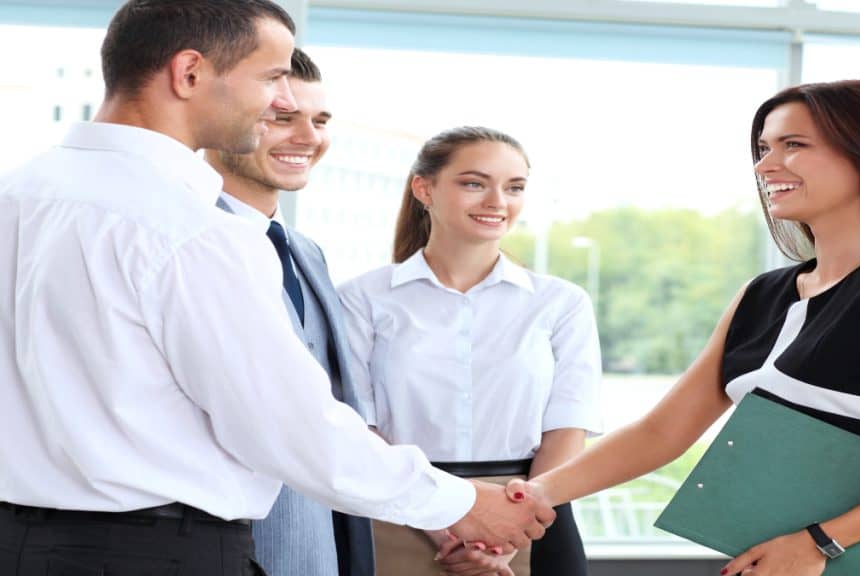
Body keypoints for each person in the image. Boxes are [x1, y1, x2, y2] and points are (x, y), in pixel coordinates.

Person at [0, 2, 553, 574]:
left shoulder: (15, 197)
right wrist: (461, 502)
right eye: (269, 79)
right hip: (159, 552)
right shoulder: (195, 231)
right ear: (188, 74)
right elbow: (292, 427)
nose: (279, 101)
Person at [504, 80, 860, 576]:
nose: (765, 165)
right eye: (764, 148)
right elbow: (661, 432)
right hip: (779, 561)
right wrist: (534, 495)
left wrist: (821, 543)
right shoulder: (761, 295)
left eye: (794, 146)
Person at [338, 126, 602, 576]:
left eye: (514, 187)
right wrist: (447, 521)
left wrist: (508, 529)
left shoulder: (562, 303)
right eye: (474, 183)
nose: (498, 201)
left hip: (532, 514)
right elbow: (357, 427)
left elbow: (567, 430)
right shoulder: (362, 299)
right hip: (397, 511)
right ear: (424, 189)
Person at [205, 47, 373, 576]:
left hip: (318, 544)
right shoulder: (187, 240)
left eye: (319, 121)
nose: (308, 138)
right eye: (282, 119)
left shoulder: (307, 252)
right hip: (223, 545)